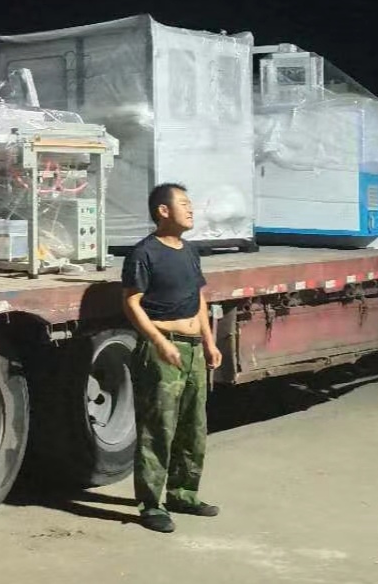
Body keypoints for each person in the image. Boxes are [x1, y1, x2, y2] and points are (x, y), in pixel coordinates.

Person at [121, 182, 223, 533]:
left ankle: (183, 494)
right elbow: (131, 302)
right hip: (162, 348)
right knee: (158, 429)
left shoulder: (189, 251)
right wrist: (158, 341)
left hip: (193, 348)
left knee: (193, 427)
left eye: (190, 203)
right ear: (163, 211)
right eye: (183, 203)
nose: (190, 209)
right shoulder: (144, 253)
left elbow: (199, 298)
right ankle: (151, 505)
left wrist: (209, 342)